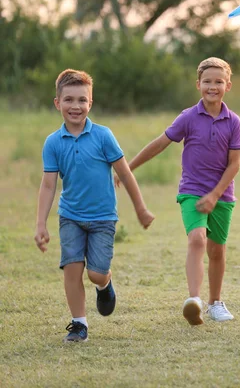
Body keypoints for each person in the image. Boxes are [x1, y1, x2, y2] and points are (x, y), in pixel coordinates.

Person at [116, 58, 240, 325]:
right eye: (207, 81)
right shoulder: (188, 117)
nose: (212, 86)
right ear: (198, 84)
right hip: (192, 191)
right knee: (197, 239)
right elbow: (159, 144)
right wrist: (128, 168)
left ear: (228, 86)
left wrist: (215, 195)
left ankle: (215, 303)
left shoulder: (233, 122)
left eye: (218, 82)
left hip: (222, 195)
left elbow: (234, 165)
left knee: (217, 251)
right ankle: (194, 301)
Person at [34, 69, 155, 343]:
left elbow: (124, 173)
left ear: (91, 103)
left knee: (95, 273)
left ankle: (105, 284)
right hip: (70, 217)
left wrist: (141, 209)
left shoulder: (103, 136)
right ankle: (79, 324)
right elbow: (49, 186)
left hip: (102, 218)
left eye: (81, 100)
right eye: (68, 100)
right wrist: (40, 223)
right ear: (57, 103)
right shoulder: (53, 143)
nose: (75, 106)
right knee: (72, 269)